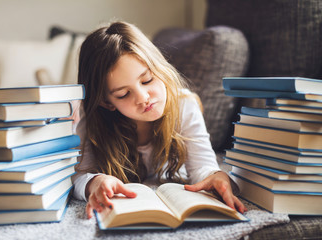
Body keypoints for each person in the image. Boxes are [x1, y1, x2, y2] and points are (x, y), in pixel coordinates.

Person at [72, 21, 247, 219]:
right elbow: (78, 175)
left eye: (147, 80)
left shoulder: (184, 105)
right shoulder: (92, 120)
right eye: (123, 94)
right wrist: (94, 182)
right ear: (106, 102)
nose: (143, 98)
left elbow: (202, 166)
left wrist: (215, 176)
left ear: (160, 69)